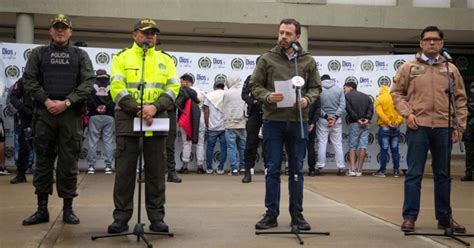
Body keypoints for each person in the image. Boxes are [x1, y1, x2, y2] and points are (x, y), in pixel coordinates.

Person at [391, 26, 468, 233]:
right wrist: (408, 114)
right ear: (421, 43)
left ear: (442, 43)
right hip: (419, 127)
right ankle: (409, 217)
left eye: (436, 40)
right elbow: (397, 94)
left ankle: (444, 218)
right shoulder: (409, 67)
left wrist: (459, 126)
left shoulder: (451, 69)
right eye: (427, 40)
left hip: (444, 127)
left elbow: (460, 99)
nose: (432, 43)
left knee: (443, 174)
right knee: (414, 173)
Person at [107, 18, 180, 234]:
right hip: (129, 120)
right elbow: (117, 88)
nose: (150, 36)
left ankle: (157, 218)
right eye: (145, 32)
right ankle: (121, 218)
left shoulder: (165, 60)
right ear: (134, 35)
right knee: (124, 173)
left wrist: (155, 107)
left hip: (156, 120)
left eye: (153, 33)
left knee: (157, 172)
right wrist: (137, 109)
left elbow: (173, 88)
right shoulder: (122, 58)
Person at [22, 14, 95, 225]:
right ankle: (41, 210)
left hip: (70, 115)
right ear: (50, 31)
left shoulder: (80, 55)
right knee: (43, 162)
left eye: (64, 28)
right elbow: (29, 80)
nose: (60, 31)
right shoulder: (39, 53)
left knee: (68, 164)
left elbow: (88, 82)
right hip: (44, 114)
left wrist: (67, 103)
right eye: (56, 28)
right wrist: (46, 101)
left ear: (70, 32)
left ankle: (67, 210)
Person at [250, 18, 321, 230]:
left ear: (297, 36)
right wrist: (267, 96)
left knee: (297, 170)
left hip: (299, 121)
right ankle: (271, 214)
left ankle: (297, 215)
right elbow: (254, 85)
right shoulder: (267, 58)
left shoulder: (307, 61)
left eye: (288, 34)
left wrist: (308, 99)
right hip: (273, 121)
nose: (283, 37)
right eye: (281, 32)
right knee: (272, 169)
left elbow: (315, 87)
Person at [315, 74, 346, 176]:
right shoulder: (339, 89)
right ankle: (341, 168)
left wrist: (326, 116)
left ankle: (320, 167)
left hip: (323, 120)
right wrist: (334, 117)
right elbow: (342, 105)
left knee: (322, 143)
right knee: (338, 144)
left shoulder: (318, 90)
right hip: (336, 120)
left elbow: (317, 107)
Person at [85, 69, 115, 175]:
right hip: (109, 115)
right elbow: (115, 98)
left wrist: (96, 107)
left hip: (94, 115)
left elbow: (88, 97)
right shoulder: (113, 82)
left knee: (93, 141)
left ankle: (91, 166)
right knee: (108, 141)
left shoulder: (91, 82)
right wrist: (106, 107)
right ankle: (108, 166)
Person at [176, 73, 206, 174]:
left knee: (186, 143)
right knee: (200, 143)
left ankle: (184, 167)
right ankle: (200, 167)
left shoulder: (183, 91)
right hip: (199, 119)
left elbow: (178, 104)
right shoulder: (201, 91)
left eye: (181, 81)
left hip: (187, 120)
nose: (180, 83)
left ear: (187, 82)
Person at [373, 82, 403, 178]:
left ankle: (382, 171)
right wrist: (396, 122)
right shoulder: (395, 98)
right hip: (396, 128)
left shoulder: (379, 99)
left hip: (385, 127)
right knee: (395, 150)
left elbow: (380, 113)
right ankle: (396, 171)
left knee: (384, 150)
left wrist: (388, 122)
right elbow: (401, 113)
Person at [8, 78, 35, 184]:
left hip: (43, 116)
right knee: (24, 146)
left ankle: (47, 175)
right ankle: (21, 175)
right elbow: (13, 97)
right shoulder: (24, 80)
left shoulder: (46, 77)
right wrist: (22, 108)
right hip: (26, 116)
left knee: (45, 147)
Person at [344, 81, 373, 177]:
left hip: (355, 123)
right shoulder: (366, 96)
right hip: (366, 123)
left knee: (352, 146)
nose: (344, 90)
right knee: (363, 146)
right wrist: (366, 119)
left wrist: (358, 119)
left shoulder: (347, 96)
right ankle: (359, 170)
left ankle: (352, 169)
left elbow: (349, 109)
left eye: (345, 88)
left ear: (350, 87)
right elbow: (370, 109)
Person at [241, 74, 264, 183]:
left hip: (270, 114)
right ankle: (247, 172)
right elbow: (244, 94)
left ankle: (271, 172)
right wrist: (253, 101)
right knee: (250, 144)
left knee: (270, 145)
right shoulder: (251, 78)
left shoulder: (274, 76)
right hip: (254, 114)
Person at [223, 75, 247, 176]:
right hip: (242, 123)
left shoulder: (227, 93)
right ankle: (242, 167)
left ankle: (234, 169)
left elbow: (223, 107)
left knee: (231, 147)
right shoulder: (243, 91)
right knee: (242, 147)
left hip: (230, 124)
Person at [203, 81, 227, 174]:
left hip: (212, 126)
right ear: (223, 87)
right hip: (224, 126)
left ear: (214, 86)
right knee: (224, 148)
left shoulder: (209, 96)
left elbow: (206, 111)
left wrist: (206, 123)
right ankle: (220, 169)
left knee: (210, 148)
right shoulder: (226, 95)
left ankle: (209, 168)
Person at [165, 97, 182, 183]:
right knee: (151, 144)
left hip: (170, 114)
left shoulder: (176, 86)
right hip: (154, 113)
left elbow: (182, 97)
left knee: (170, 146)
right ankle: (147, 171)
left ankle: (171, 172)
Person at [461, 82, 474, 181]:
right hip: (469, 128)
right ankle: (469, 173)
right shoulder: (468, 99)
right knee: (469, 152)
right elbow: (464, 111)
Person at [306, 97, 320, 176]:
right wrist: (313, 123)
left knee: (297, 146)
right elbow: (317, 112)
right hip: (311, 123)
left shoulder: (298, 92)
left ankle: (296, 169)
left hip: (299, 123)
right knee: (311, 146)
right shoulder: (315, 96)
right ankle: (312, 169)